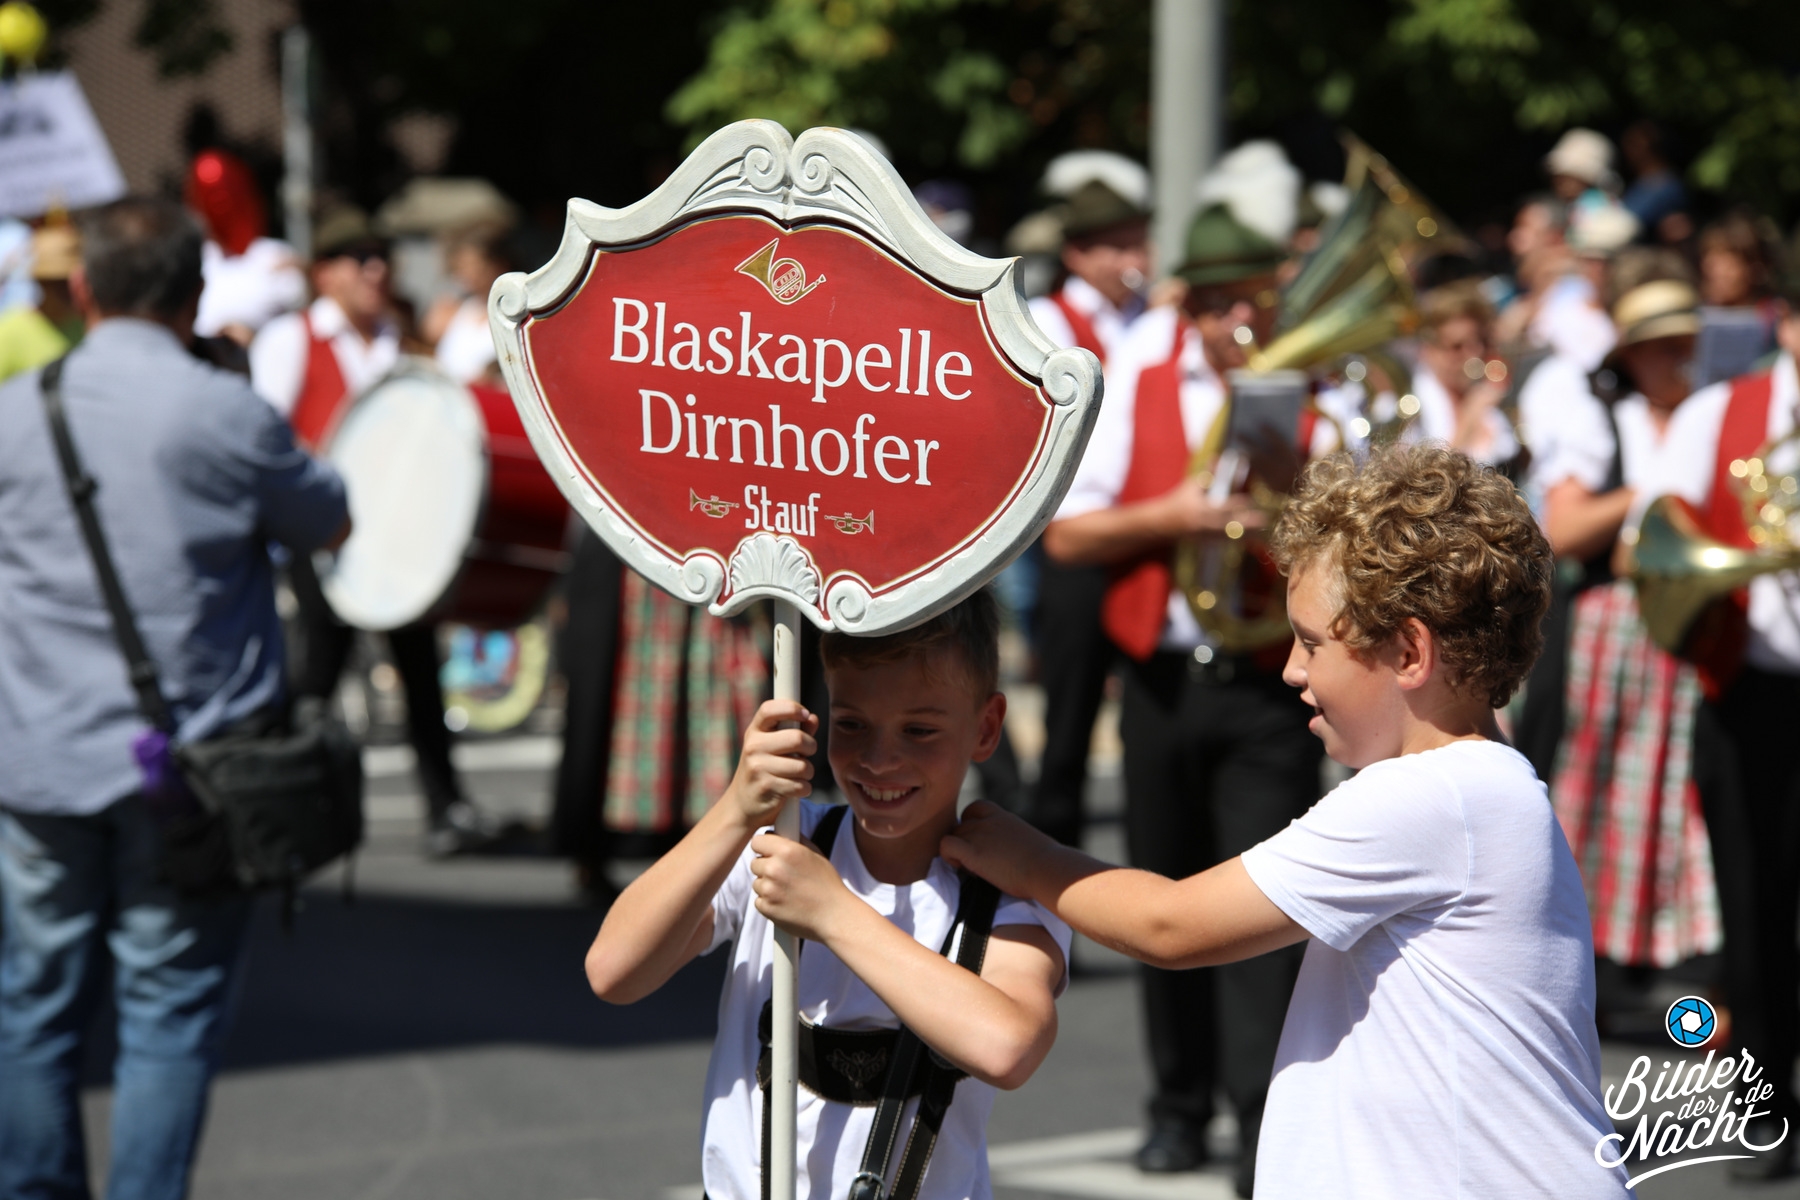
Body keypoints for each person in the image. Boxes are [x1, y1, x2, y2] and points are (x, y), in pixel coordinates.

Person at [945, 444, 1632, 1200]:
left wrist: (1021, 854)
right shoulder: (1481, 789)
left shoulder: (1429, 798)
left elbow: (1170, 926)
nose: (1291, 670)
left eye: (1311, 643)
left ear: (1410, 651)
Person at [0, 197, 348, 1200]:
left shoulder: (13, 413)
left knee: (31, 1010)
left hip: (37, 762)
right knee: (167, 1018)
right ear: (195, 296)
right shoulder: (224, 411)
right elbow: (330, 520)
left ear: (82, 289)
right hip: (194, 774)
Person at [583, 592, 1069, 1200]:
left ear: (987, 727)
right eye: (852, 724)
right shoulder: (783, 841)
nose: (880, 759)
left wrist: (834, 912)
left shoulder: (1002, 891)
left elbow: (1009, 1048)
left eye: (919, 730)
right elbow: (614, 970)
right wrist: (736, 808)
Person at [1044, 195, 1321, 1193]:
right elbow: (1068, 534)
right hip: (1161, 681)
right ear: (1191, 308)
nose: (1236, 322)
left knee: (1262, 916)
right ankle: (1177, 1107)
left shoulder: (1320, 390)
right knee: (1159, 894)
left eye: (1251, 300)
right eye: (1217, 304)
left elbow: (1356, 545)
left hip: (1267, 686)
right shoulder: (1137, 378)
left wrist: (1296, 482)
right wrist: (1175, 514)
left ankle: (1261, 1128)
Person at [250, 206, 485, 856]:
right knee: (317, 676)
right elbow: (268, 437)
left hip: (401, 540)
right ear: (325, 273)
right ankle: (278, 808)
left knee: (420, 674)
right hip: (327, 540)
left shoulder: (397, 338)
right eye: (359, 258)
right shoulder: (292, 338)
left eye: (380, 256)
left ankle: (446, 807)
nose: (376, 269)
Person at [1628, 296, 1800, 1179]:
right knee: (1755, 901)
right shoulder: (1716, 414)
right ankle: (1766, 1107)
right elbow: (1655, 536)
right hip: (1754, 689)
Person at [1526, 265, 1728, 1009]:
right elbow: (1562, 528)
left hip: (1699, 632)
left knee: (1686, 797)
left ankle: (1692, 966)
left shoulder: (1716, 414)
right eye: (1662, 346)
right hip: (1617, 633)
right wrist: (1647, 494)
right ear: (1632, 356)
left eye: (1686, 343)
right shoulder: (1609, 424)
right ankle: (1594, 966)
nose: (1678, 359)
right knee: (1598, 791)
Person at [1019, 152, 1154, 848]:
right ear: (1078, 254)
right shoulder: (1047, 317)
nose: (1135, 261)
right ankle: (1048, 863)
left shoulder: (1153, 319)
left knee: (1150, 715)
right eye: (1117, 247)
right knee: (1068, 716)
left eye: (1139, 244)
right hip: (1073, 536)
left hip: (1144, 535)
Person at [423, 219, 512, 385]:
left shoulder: (516, 315)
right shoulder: (454, 309)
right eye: (461, 266)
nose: (466, 273)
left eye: (473, 265)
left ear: (497, 265)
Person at [0, 219, 83, 383]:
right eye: (60, 282)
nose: (68, 290)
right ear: (42, 282)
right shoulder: (9, 333)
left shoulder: (84, 327)